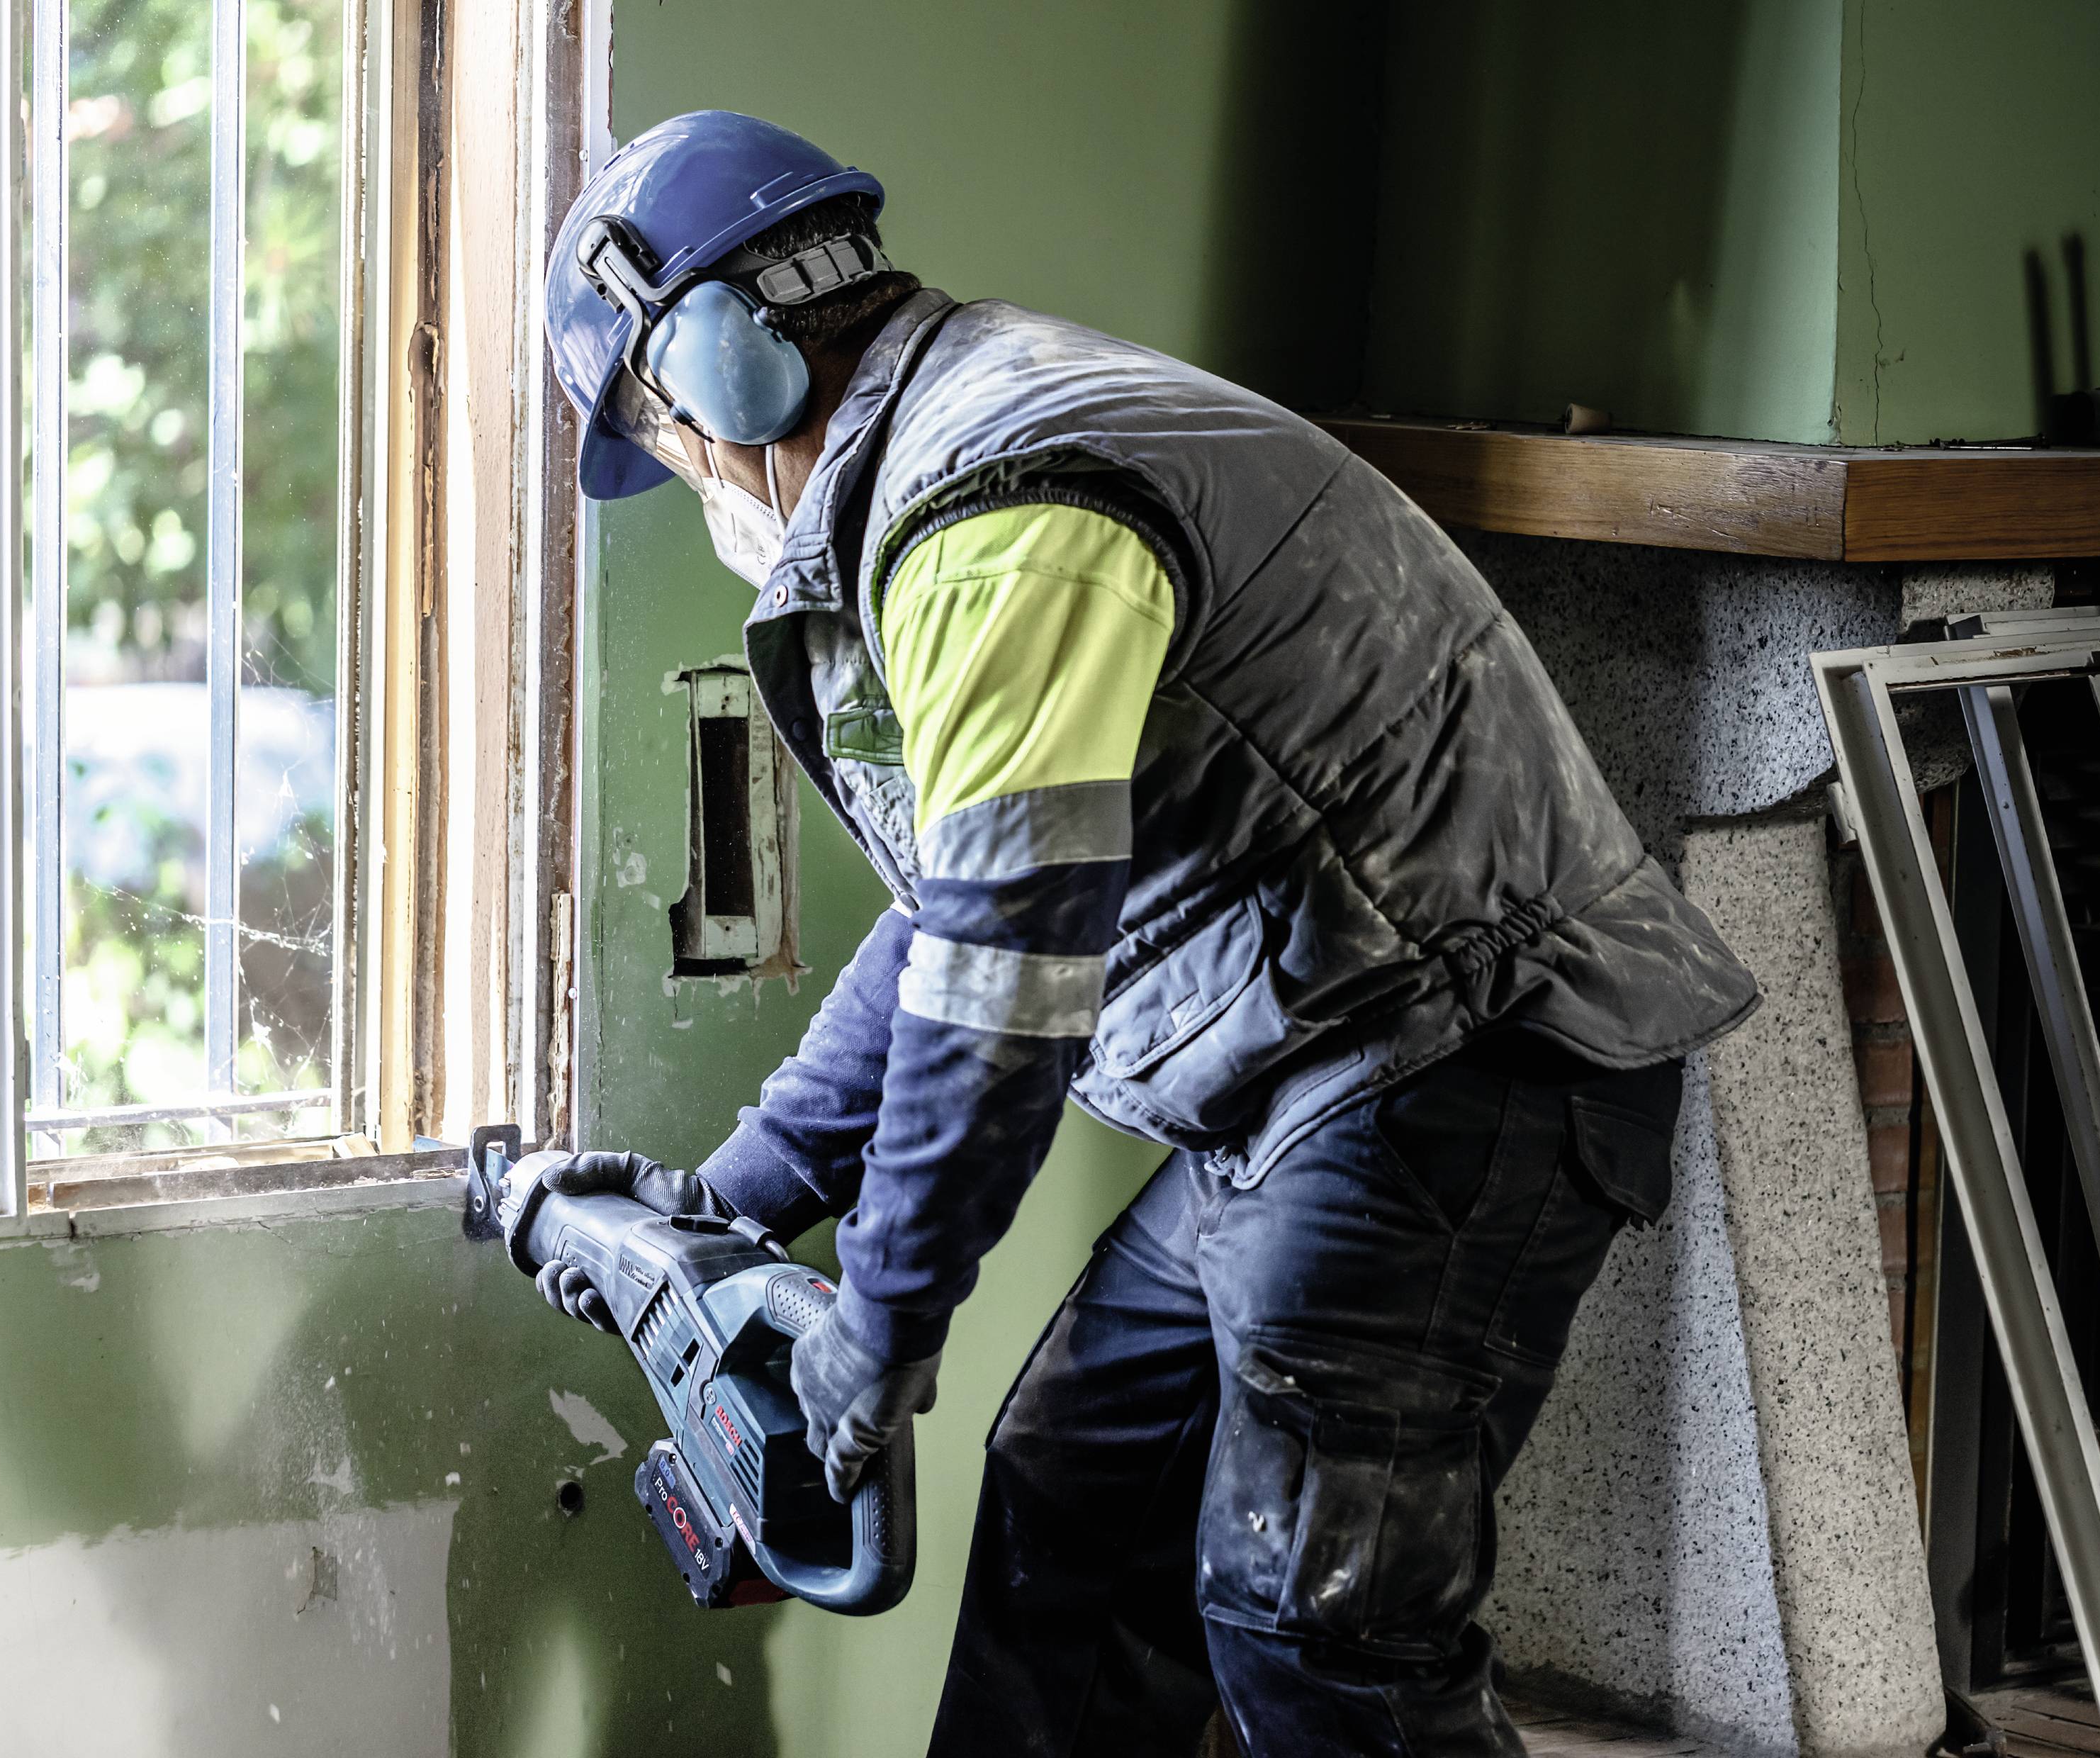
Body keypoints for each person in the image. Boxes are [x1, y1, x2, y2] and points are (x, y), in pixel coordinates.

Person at [537, 110, 1758, 1758]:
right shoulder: (950, 464)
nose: (687, 474)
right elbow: (944, 915)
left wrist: (879, 1331)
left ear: (720, 369)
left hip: (1448, 1059)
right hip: (1311, 1077)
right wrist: (747, 1195)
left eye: (665, 434)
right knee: (1071, 1519)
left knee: (1320, 1631)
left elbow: (999, 971)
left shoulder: (992, 510)